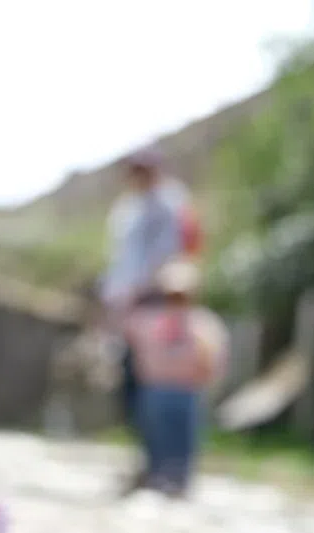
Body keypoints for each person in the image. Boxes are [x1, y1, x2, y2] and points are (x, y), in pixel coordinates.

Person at [100, 147, 202, 485]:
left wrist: (151, 293)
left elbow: (172, 255)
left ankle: (168, 466)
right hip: (128, 308)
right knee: (132, 385)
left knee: (160, 383)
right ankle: (148, 461)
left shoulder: (170, 203)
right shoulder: (128, 209)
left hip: (156, 304)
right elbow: (122, 261)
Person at [123, 259, 228, 499]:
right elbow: (128, 333)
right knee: (154, 436)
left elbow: (215, 357)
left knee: (183, 439)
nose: (176, 299)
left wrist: (209, 379)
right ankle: (155, 476)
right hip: (154, 390)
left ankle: (179, 483)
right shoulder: (148, 320)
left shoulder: (203, 323)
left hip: (187, 390)